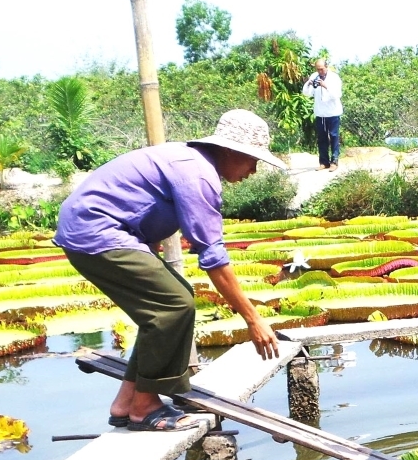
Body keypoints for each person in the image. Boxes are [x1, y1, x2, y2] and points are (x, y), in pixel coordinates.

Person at [54, 109, 285, 432]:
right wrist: (253, 319)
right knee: (175, 304)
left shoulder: (188, 161)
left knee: (165, 307)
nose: (254, 170)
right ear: (232, 151)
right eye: (252, 160)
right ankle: (146, 407)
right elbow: (214, 258)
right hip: (96, 231)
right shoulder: (198, 175)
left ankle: (126, 404)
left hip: (89, 229)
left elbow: (142, 210)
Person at [302, 57, 343, 170]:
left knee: (334, 137)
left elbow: (337, 95)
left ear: (326, 67)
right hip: (320, 113)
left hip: (333, 112)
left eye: (321, 69)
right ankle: (324, 162)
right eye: (317, 69)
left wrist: (325, 86)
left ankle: (334, 162)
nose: (319, 71)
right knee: (322, 138)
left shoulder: (334, 78)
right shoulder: (314, 76)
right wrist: (308, 84)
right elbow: (307, 93)